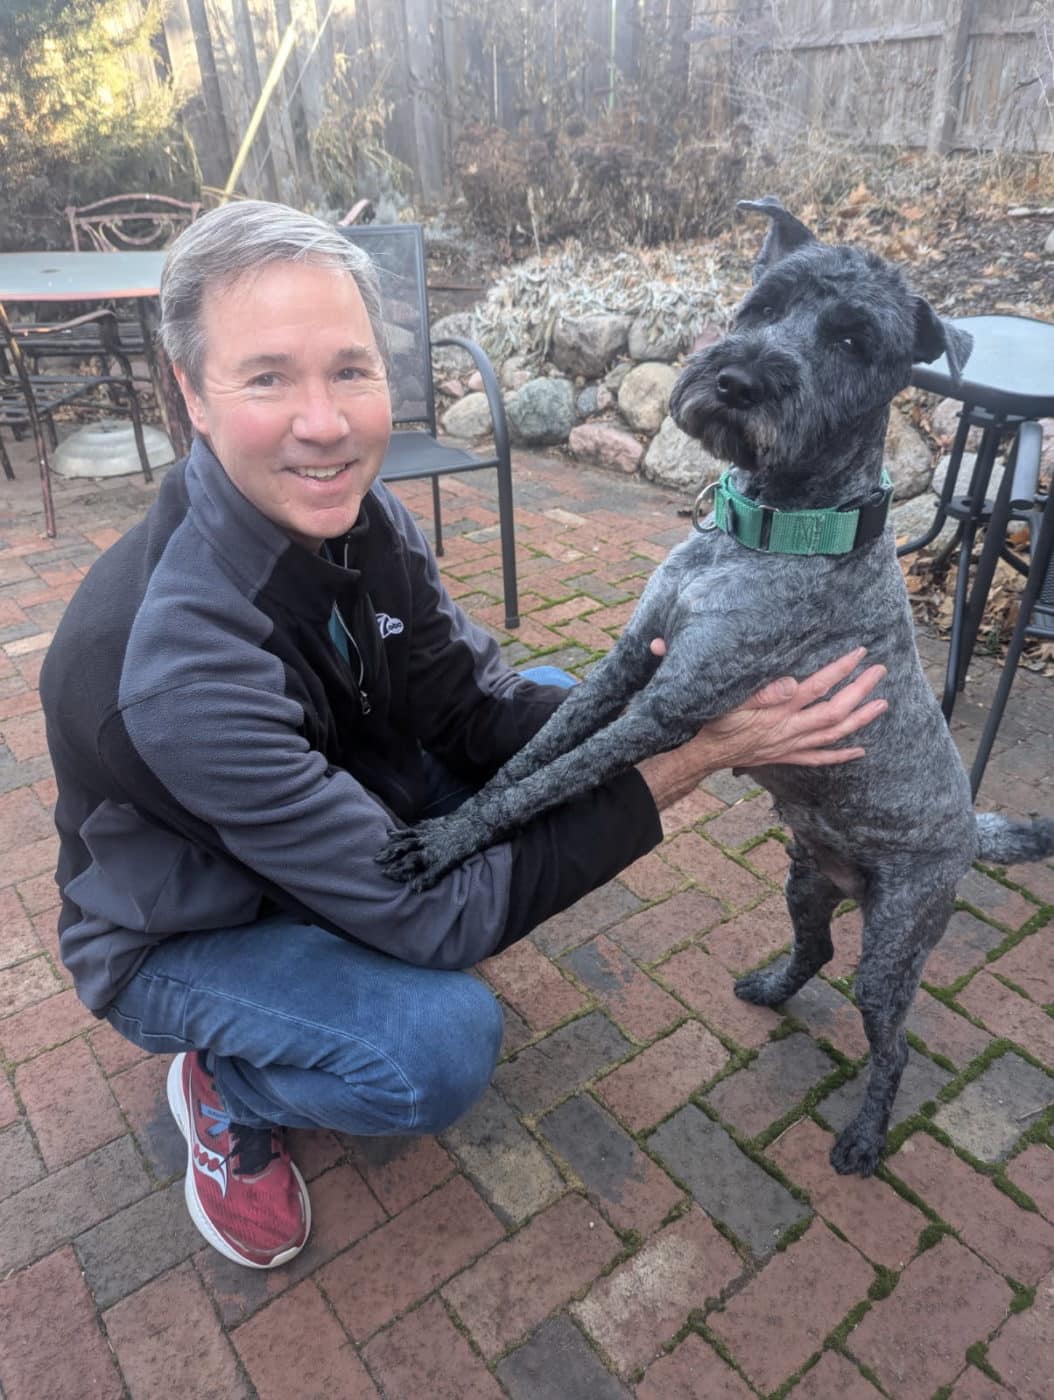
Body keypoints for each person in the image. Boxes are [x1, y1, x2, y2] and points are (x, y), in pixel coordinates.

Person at [39, 201, 887, 1271]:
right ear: (190, 393)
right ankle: (226, 1081)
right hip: (188, 926)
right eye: (268, 377)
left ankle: (319, 975)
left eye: (350, 369)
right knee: (436, 1045)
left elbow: (476, 708)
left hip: (336, 821)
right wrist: (700, 752)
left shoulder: (356, 512)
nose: (325, 422)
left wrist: (656, 708)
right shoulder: (178, 668)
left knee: (546, 693)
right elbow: (436, 914)